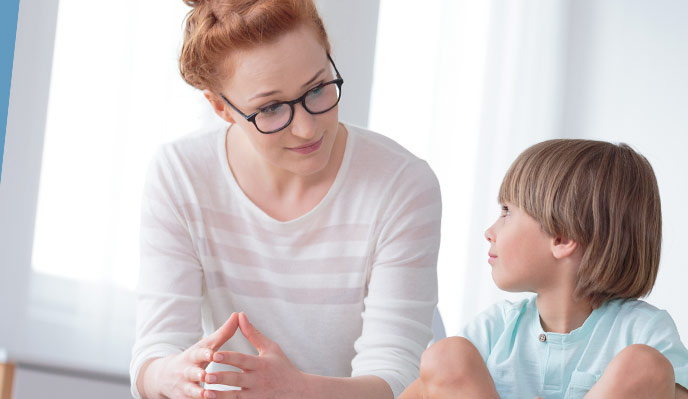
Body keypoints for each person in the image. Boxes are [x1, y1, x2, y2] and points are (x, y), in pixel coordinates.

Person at [129, 1, 441, 399]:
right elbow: (155, 354)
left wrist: (297, 389)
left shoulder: (401, 183)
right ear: (220, 107)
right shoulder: (181, 174)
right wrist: (174, 375)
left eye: (317, 88)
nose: (308, 127)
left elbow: (396, 377)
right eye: (272, 108)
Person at [400, 139, 688, 399]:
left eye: (507, 212)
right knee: (446, 356)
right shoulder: (493, 331)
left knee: (646, 366)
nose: (489, 231)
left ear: (561, 238)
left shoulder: (644, 332)